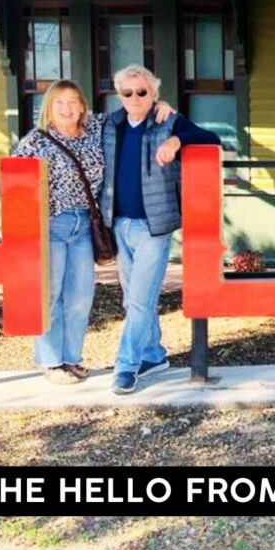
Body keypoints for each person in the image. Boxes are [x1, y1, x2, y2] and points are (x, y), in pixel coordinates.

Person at [14, 80, 174, 385]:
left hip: (86, 225)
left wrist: (160, 107)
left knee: (80, 295)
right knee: (50, 293)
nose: (67, 109)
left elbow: (134, 109)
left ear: (83, 106)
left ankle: (71, 358)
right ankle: (50, 361)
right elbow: (16, 187)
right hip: (51, 224)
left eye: (73, 102)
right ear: (49, 107)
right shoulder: (36, 141)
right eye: (59, 103)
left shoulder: (96, 130)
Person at [101, 64, 220, 395]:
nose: (135, 98)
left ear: (153, 93)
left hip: (155, 227)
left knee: (139, 300)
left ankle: (126, 367)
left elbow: (211, 138)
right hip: (119, 223)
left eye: (142, 92)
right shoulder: (110, 125)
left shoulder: (168, 121)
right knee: (135, 299)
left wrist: (178, 140)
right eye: (128, 93)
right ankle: (153, 356)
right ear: (119, 96)